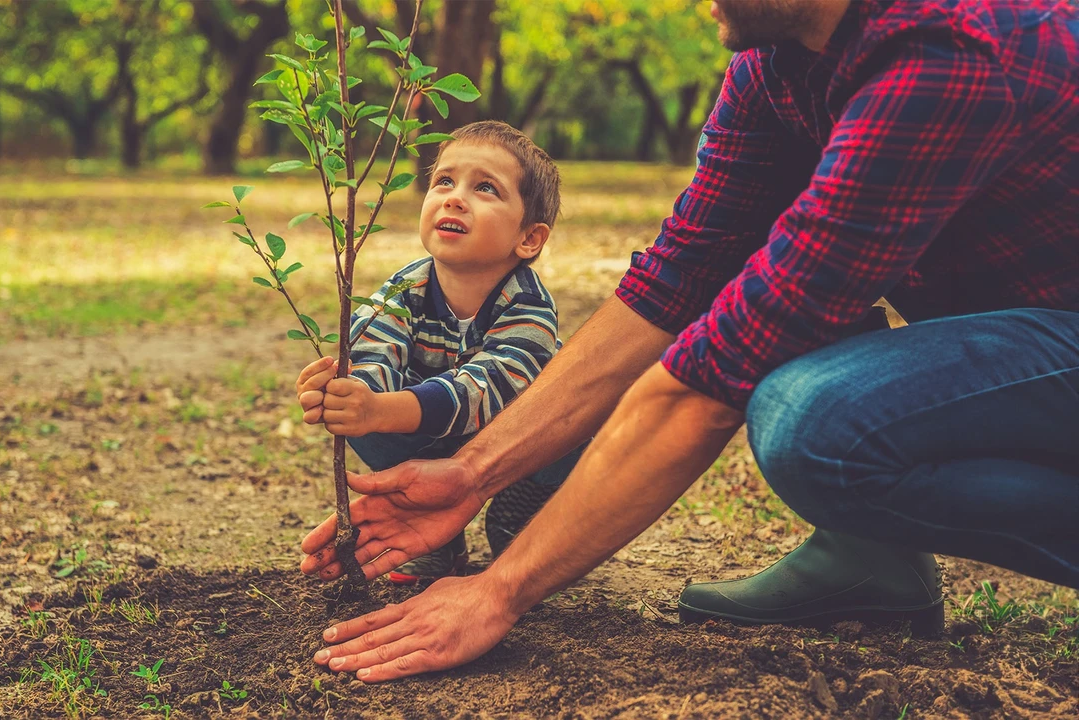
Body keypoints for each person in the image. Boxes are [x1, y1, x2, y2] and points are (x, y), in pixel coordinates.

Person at [298, 0, 1079, 682]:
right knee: (777, 273)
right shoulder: (775, 69)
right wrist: (469, 473)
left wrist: (499, 590)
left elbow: (709, 384)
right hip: (1027, 332)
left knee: (813, 422)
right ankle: (870, 557)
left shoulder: (948, 51)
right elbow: (676, 282)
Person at [294, 120, 586, 584]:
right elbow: (374, 351)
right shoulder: (405, 288)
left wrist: (387, 407)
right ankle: (438, 536)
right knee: (367, 423)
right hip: (431, 435)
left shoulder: (529, 304)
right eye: (444, 181)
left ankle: (528, 509)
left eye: (485, 188)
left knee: (579, 428)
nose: (454, 196)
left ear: (528, 238)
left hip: (515, 441)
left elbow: (489, 390)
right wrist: (350, 395)